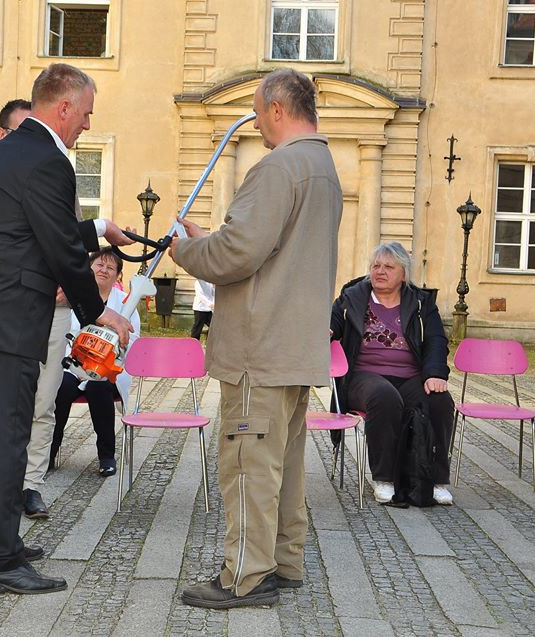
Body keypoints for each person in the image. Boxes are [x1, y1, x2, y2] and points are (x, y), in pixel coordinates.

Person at [0, 63, 133, 595]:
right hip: (8, 316)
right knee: (7, 434)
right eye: (88, 113)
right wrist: (98, 310)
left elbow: (23, 230)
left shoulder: (5, 151)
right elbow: (56, 246)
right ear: (65, 106)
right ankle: (0, 562)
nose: (88, 126)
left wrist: (97, 227)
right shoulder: (50, 160)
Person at [170, 68, 342, 609]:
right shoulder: (323, 167)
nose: (255, 121)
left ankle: (244, 576)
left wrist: (185, 251)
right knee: (284, 466)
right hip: (295, 347)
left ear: (275, 109)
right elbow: (267, 248)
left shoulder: (278, 167)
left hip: (258, 349)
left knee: (247, 464)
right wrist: (216, 239)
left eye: (256, 110)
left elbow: (236, 255)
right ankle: (284, 564)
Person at [0, 97, 136, 520]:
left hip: (55, 310)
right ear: (4, 137)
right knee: (5, 403)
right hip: (10, 310)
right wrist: (100, 228)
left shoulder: (58, 169)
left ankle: (31, 483)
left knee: (44, 400)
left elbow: (64, 244)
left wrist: (71, 289)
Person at [330, 242, 454, 506]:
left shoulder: (421, 303)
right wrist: (328, 330)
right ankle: (383, 479)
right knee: (383, 397)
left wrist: (434, 374)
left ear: (403, 274)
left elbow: (435, 340)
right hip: (363, 376)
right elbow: (334, 323)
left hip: (410, 376)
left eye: (388, 266)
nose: (380, 271)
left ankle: (436, 480)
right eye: (375, 266)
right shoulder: (351, 298)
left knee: (440, 401)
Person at [49, 247, 141, 477]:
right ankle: (48, 452)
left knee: (99, 387)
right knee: (60, 387)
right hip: (73, 363)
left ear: (118, 275)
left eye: (111, 267)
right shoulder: (74, 296)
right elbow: (61, 332)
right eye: (99, 265)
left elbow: (133, 337)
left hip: (108, 367)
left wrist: (109, 347)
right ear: (89, 269)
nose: (104, 270)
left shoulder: (125, 302)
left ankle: (106, 456)